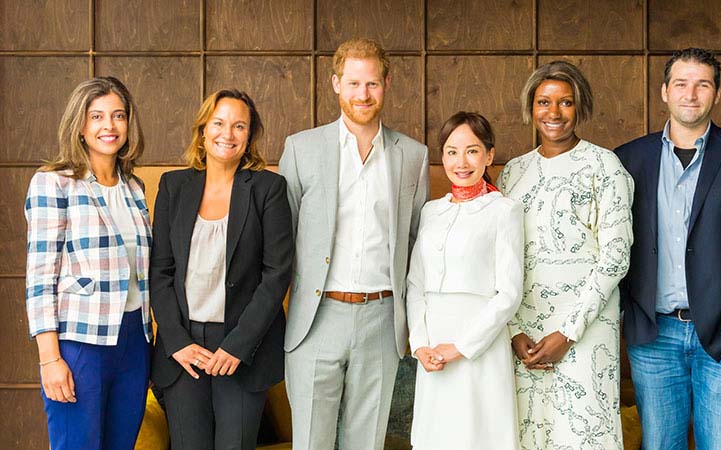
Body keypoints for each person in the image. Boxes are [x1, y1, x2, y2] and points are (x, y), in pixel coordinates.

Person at [615, 48, 721, 450]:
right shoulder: (628, 158)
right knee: (659, 444)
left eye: (702, 84)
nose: (690, 94)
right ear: (664, 91)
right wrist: (628, 314)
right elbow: (614, 244)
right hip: (654, 333)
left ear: (717, 94)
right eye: (681, 83)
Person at [279, 37, 429, 450]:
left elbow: (417, 241)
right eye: (353, 83)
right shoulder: (301, 148)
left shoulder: (413, 156)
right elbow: (282, 240)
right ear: (335, 84)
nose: (363, 94)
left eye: (372, 84)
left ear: (386, 84)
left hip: (382, 319)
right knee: (311, 441)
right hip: (315, 317)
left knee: (366, 443)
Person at [498, 61, 633, 449]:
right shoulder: (514, 172)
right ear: (531, 107)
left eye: (566, 102)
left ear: (581, 107)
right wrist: (514, 330)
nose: (553, 113)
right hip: (525, 332)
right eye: (544, 102)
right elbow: (504, 257)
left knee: (581, 434)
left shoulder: (604, 166)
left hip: (584, 329)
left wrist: (568, 332)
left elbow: (615, 258)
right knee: (530, 433)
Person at [149, 89, 293, 450]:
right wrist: (177, 342)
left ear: (250, 135)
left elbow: (276, 274)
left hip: (242, 351)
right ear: (202, 130)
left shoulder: (269, 189)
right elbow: (160, 271)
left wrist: (238, 346)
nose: (227, 134)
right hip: (183, 349)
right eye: (219, 123)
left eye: (239, 126)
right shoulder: (173, 186)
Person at [24, 76, 151, 450]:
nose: (108, 126)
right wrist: (50, 359)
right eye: (96, 116)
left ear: (129, 123)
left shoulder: (134, 188)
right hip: (79, 343)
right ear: (80, 125)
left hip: (134, 341)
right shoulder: (54, 183)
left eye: (117, 116)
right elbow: (39, 278)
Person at [407, 111, 523, 450]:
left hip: (478, 349)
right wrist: (420, 345)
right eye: (452, 151)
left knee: (479, 436)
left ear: (488, 155)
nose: (462, 161)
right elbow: (415, 285)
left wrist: (461, 347)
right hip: (432, 351)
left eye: (472, 150)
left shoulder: (504, 210)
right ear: (442, 156)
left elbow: (509, 293)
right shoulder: (431, 211)